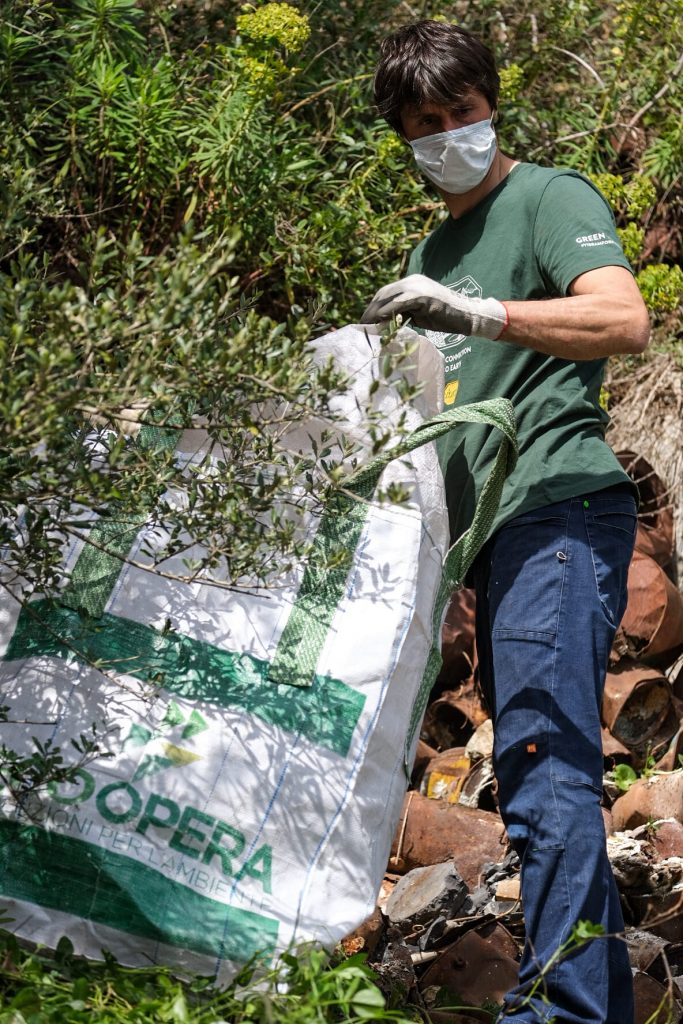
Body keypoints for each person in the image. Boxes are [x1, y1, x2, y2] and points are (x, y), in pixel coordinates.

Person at [362, 20, 650, 1024]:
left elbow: (620, 318)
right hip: (488, 539)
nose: (448, 135)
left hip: (556, 506)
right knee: (532, 754)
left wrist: (480, 315)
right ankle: (592, 1003)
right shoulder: (430, 249)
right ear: (401, 136)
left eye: (462, 113)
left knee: (540, 754)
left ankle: (568, 1011)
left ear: (492, 104)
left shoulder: (546, 196)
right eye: (425, 124)